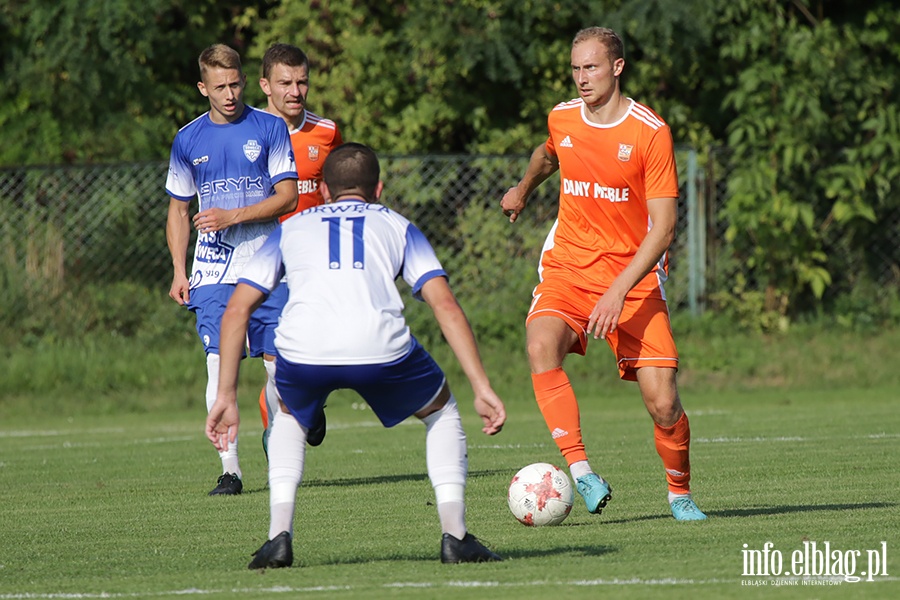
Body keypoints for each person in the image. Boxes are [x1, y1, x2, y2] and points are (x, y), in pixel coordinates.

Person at [206, 142, 507, 568]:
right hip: (380, 346)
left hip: (304, 349)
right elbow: (445, 305)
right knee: (442, 411)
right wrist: (482, 386)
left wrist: (226, 395)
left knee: (289, 415)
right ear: (378, 188)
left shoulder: (290, 228)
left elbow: (238, 309)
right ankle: (455, 536)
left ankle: (277, 538)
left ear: (324, 190)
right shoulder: (399, 225)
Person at [500, 27, 707, 521]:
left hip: (632, 280)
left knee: (663, 403)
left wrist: (618, 290)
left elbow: (664, 228)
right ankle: (582, 472)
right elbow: (549, 154)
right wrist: (524, 188)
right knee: (539, 345)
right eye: (575, 68)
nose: (580, 78)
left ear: (616, 67)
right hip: (569, 265)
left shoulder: (648, 131)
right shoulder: (563, 117)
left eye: (590, 67)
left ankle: (679, 493)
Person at [165, 43, 298, 496]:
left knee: (279, 369)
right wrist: (178, 271)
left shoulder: (269, 128)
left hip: (267, 262)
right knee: (219, 366)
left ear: (245, 80)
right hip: (212, 268)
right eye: (219, 86)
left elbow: (288, 196)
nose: (229, 93)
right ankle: (230, 470)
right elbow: (178, 211)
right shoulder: (188, 139)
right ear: (203, 87)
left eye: (236, 83)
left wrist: (232, 215)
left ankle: (278, 447)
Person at [254, 43, 344, 448]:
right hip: (265, 260)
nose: (295, 90)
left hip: (316, 262)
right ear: (265, 86)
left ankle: (309, 402)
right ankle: (278, 436)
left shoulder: (326, 132)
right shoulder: (247, 134)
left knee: (323, 351)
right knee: (276, 358)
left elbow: (343, 192)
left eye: (302, 81)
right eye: (285, 82)